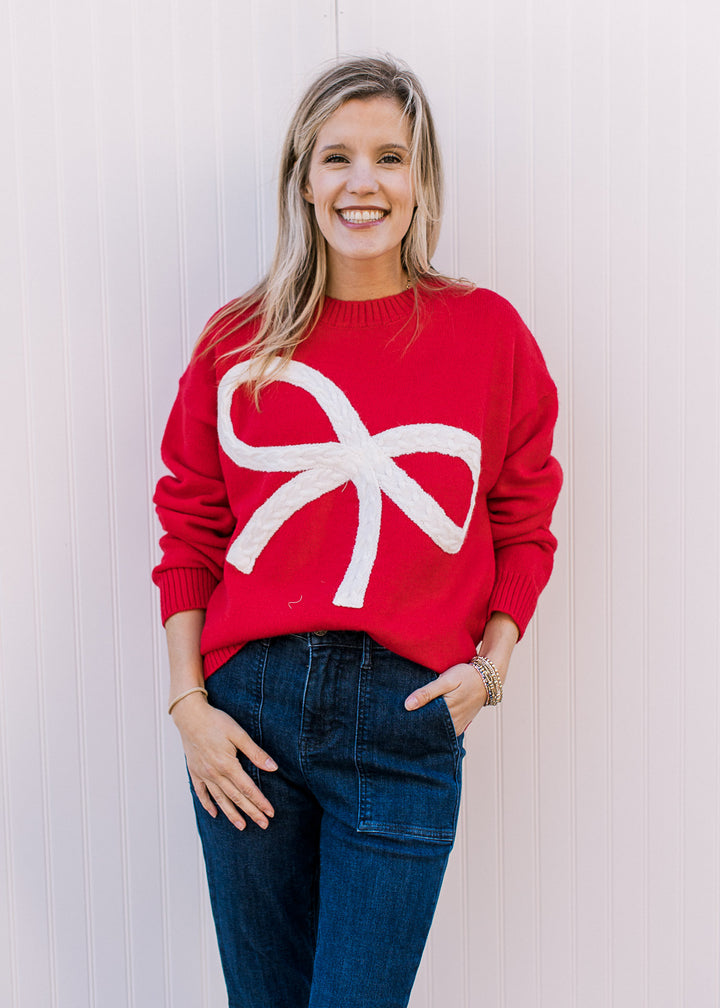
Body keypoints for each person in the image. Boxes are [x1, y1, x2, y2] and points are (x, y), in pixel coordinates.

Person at [152, 54, 562, 1008]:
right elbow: (190, 527)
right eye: (337, 157)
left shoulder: (485, 331)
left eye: (390, 157)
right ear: (303, 177)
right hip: (246, 719)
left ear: (421, 183)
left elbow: (524, 517)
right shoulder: (238, 341)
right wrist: (190, 708)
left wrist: (491, 669)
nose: (363, 183)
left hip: (402, 714)